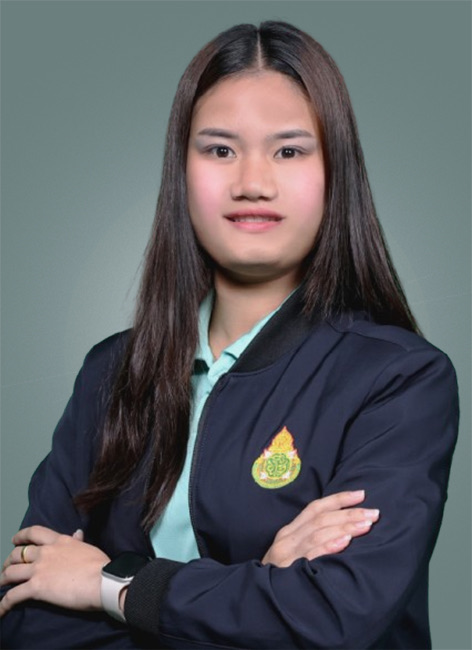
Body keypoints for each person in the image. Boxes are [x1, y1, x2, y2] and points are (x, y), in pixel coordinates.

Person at [0, 20, 459, 650]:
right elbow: (25, 620)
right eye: (219, 150)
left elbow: (335, 619)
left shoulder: (398, 379)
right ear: (181, 170)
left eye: (289, 151)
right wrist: (260, 586)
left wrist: (112, 586)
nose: (252, 183)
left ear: (336, 171)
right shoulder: (110, 372)